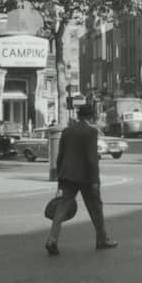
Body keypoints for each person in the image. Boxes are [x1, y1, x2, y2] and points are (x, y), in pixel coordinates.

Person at [45, 102, 116, 255]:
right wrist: (95, 180)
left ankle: (52, 239)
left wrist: (60, 177)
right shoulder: (91, 132)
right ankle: (101, 239)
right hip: (85, 177)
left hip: (67, 176)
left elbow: (60, 155)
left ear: (78, 115)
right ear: (91, 116)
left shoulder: (67, 131)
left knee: (61, 208)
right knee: (95, 208)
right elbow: (92, 159)